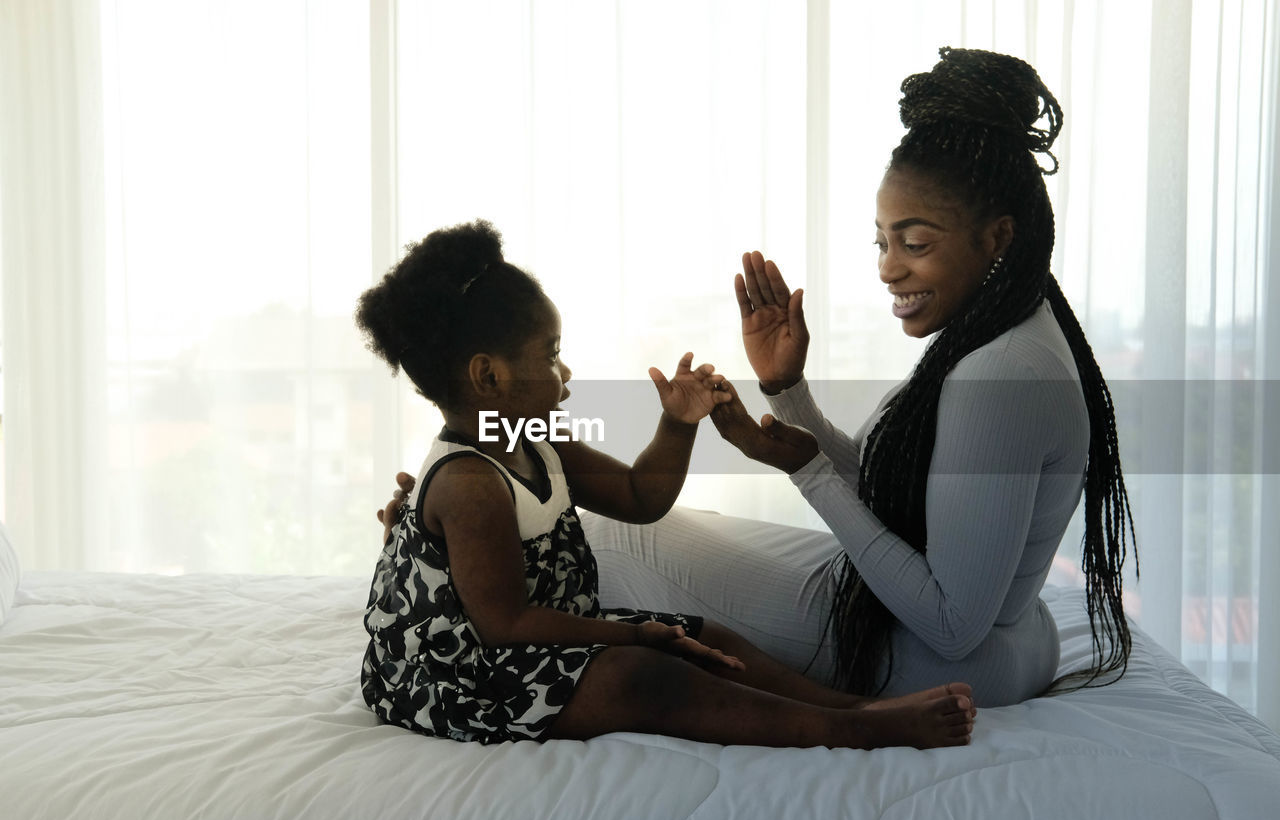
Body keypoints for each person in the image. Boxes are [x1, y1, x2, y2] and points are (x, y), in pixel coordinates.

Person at [355, 219, 975, 748]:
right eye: (549, 355)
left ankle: (850, 707)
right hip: (454, 674)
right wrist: (636, 636)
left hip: (531, 636)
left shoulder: (535, 443)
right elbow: (506, 624)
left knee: (707, 636)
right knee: (642, 675)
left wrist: (677, 425)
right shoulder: (469, 483)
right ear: (489, 377)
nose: (565, 373)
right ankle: (852, 732)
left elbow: (639, 498)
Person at [696, 46, 1136, 705]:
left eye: (916, 243)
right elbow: (889, 492)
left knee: (621, 544)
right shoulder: (1003, 329)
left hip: (935, 661)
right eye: (882, 241)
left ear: (997, 239)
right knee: (685, 530)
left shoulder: (1003, 376)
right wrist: (789, 394)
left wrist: (809, 473)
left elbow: (952, 624)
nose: (887, 269)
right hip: (996, 643)